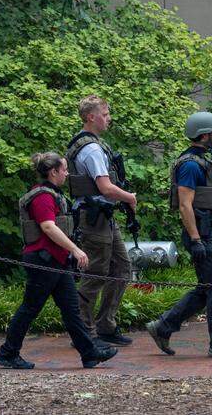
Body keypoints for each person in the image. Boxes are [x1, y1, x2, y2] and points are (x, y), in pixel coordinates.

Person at [0, 153, 118, 369]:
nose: (67, 173)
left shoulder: (52, 194)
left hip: (56, 261)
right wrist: (76, 250)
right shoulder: (43, 196)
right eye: (64, 169)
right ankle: (8, 353)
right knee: (30, 308)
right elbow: (48, 227)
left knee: (71, 310)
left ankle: (89, 354)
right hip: (43, 261)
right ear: (53, 172)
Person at [145, 111, 212, 359]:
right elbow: (184, 205)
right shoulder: (190, 165)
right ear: (205, 135)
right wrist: (196, 239)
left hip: (206, 230)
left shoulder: (203, 159)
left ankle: (163, 326)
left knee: (208, 288)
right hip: (200, 233)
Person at [65, 95, 137, 346]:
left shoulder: (88, 144)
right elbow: (105, 188)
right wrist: (129, 197)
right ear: (91, 117)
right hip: (94, 218)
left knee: (121, 267)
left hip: (102, 216)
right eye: (105, 114)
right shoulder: (92, 149)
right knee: (95, 274)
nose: (109, 119)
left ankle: (106, 325)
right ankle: (84, 332)